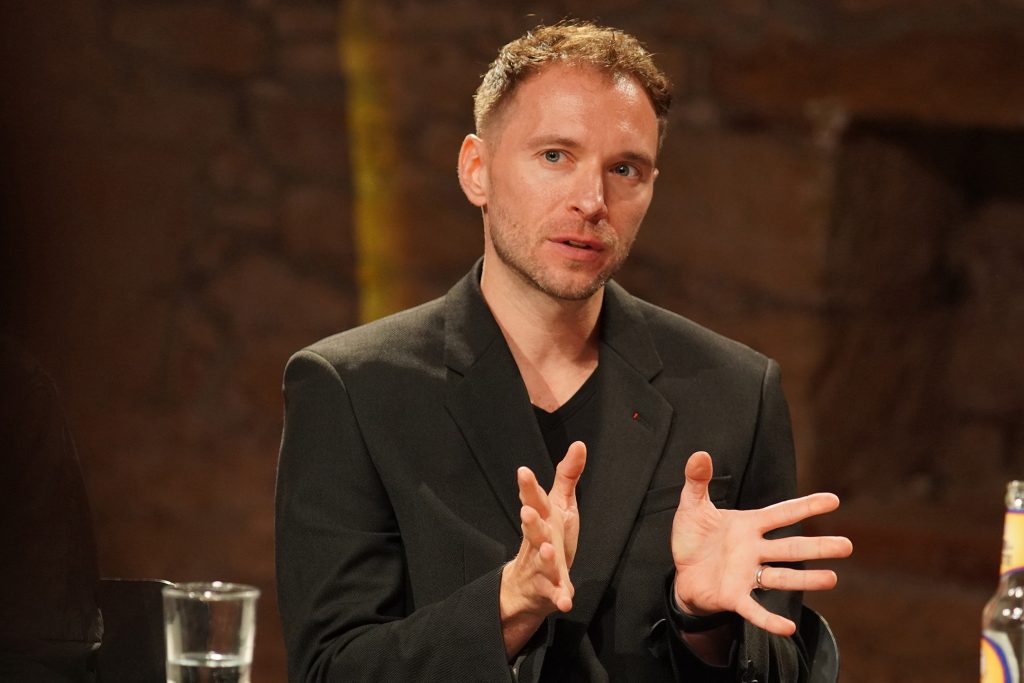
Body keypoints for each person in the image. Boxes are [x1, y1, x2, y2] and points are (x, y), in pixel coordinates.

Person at [275, 21, 852, 682]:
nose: (591, 201)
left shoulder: (735, 393)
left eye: (624, 169)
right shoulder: (353, 389)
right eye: (555, 156)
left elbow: (781, 667)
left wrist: (702, 622)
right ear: (476, 170)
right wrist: (507, 606)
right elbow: (331, 669)